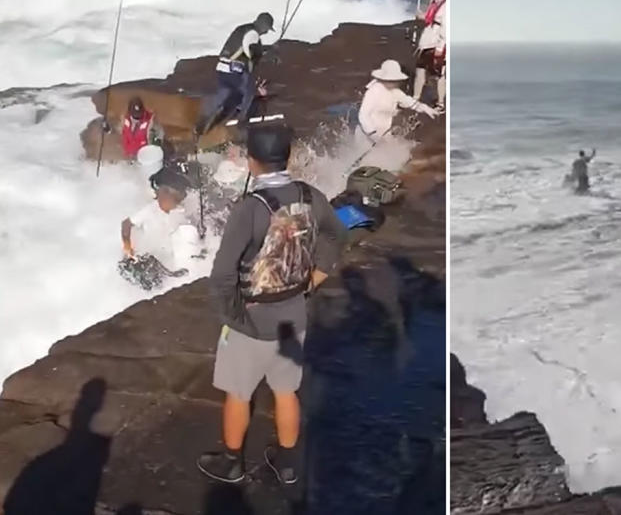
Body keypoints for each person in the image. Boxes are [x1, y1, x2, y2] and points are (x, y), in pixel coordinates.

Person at [197, 125, 346, 486]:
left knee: (238, 393)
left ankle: (233, 462)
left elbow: (222, 274)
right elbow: (336, 236)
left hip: (253, 319)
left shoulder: (251, 207)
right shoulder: (311, 197)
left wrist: (233, 318)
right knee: (285, 391)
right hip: (295, 314)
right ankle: (288, 464)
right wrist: (316, 278)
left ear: (251, 163)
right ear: (289, 157)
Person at [195, 13, 275, 136]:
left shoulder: (243, 29)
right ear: (263, 25)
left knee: (227, 96)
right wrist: (265, 57)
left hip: (223, 67)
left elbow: (245, 47)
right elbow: (252, 53)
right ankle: (241, 123)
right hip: (234, 69)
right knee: (248, 92)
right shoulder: (253, 34)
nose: (266, 32)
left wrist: (266, 52)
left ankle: (203, 123)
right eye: (267, 29)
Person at [356, 59, 439, 163]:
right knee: (371, 162)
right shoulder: (373, 91)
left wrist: (426, 108)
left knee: (399, 156)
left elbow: (409, 102)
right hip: (367, 135)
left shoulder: (395, 91)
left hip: (384, 134)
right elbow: (363, 115)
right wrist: (373, 134)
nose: (396, 83)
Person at [121, 169, 189, 266]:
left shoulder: (182, 212)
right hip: (150, 256)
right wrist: (128, 249)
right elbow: (126, 224)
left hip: (169, 258)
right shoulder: (150, 210)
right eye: (159, 194)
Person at [413, 0, 446, 109]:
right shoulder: (434, 3)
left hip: (435, 45)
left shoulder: (446, 7)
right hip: (425, 43)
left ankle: (440, 103)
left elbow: (444, 28)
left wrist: (440, 48)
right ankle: (415, 98)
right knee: (420, 70)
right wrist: (422, 16)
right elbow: (429, 19)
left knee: (438, 75)